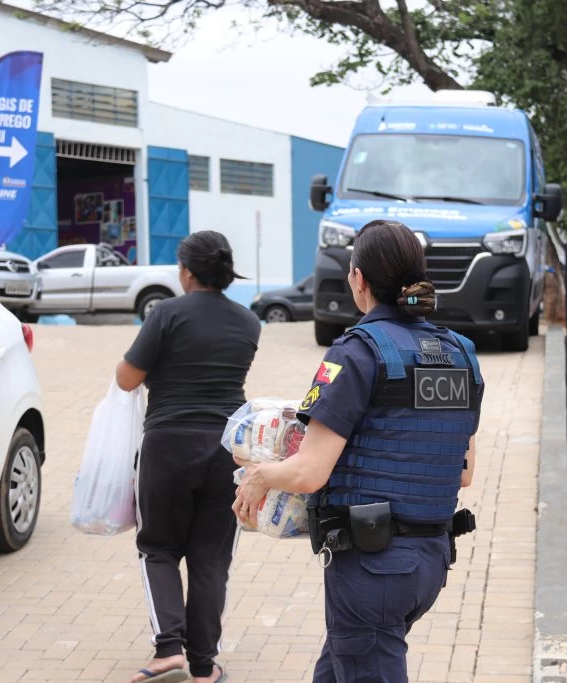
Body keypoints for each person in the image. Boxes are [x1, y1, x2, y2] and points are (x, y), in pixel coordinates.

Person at [232, 219, 484, 682]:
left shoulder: (355, 352)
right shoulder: (461, 354)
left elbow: (310, 473)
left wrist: (260, 475)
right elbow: (464, 472)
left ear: (359, 279)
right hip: (429, 561)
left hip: (373, 570)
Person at [116, 230, 261, 683]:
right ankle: (203, 665)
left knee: (158, 546)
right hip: (227, 451)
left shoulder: (166, 314)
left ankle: (167, 650)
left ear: (187, 272)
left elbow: (126, 378)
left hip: (168, 445)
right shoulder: (248, 322)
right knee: (210, 557)